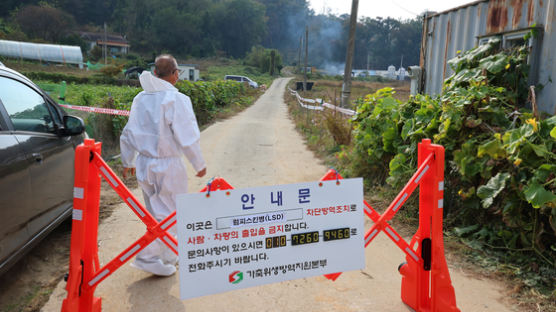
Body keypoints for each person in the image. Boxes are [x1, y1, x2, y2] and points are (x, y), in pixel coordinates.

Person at [120, 54, 206, 276]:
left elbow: (128, 132)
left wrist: (127, 159)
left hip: (143, 164)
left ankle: (167, 254)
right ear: (175, 73)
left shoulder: (141, 98)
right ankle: (148, 257)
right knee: (170, 215)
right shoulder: (176, 100)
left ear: (155, 73)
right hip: (167, 165)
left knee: (154, 214)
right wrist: (198, 163)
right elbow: (187, 136)